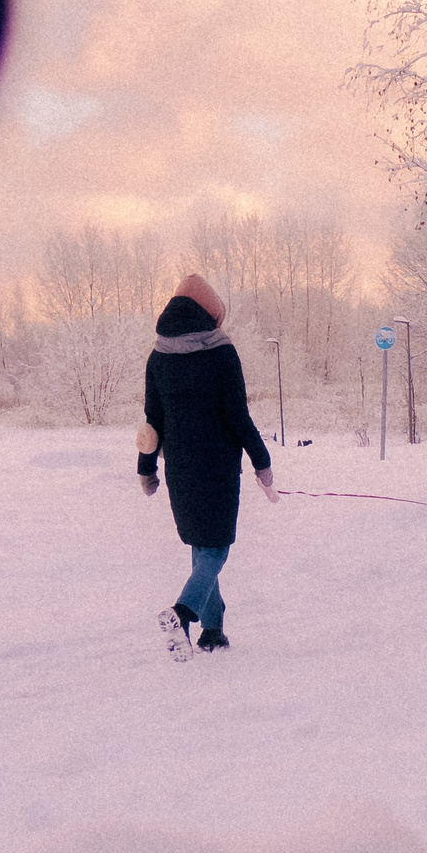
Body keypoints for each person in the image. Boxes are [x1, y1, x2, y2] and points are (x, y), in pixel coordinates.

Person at [137, 275, 276, 655]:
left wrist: (146, 467)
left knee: (202, 546)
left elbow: (153, 420)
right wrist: (262, 463)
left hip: (179, 467)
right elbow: (238, 416)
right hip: (218, 466)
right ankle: (183, 613)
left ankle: (213, 630)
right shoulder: (221, 352)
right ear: (209, 314)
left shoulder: (159, 356)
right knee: (215, 549)